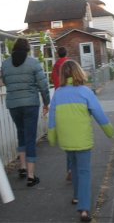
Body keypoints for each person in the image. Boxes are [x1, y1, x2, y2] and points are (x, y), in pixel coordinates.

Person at [47, 60, 114, 222]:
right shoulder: (85, 92)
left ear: (62, 75)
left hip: (66, 139)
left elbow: (52, 118)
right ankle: (84, 208)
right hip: (83, 139)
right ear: (79, 73)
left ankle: (77, 196)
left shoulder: (58, 93)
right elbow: (98, 113)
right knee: (84, 171)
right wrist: (110, 131)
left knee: (74, 167)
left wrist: (52, 137)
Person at [1, 37, 50, 187]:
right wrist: (46, 102)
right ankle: (30, 175)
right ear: (27, 49)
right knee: (30, 137)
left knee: (21, 133)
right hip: (30, 103)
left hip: (14, 104)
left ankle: (22, 167)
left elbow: (5, 81)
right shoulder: (33, 63)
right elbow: (43, 85)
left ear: (14, 48)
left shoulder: (5, 64)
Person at [51, 46, 72, 181]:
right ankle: (73, 169)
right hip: (73, 93)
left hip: (61, 95)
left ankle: (69, 168)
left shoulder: (55, 66)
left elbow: (54, 80)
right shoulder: (70, 63)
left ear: (57, 54)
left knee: (69, 140)